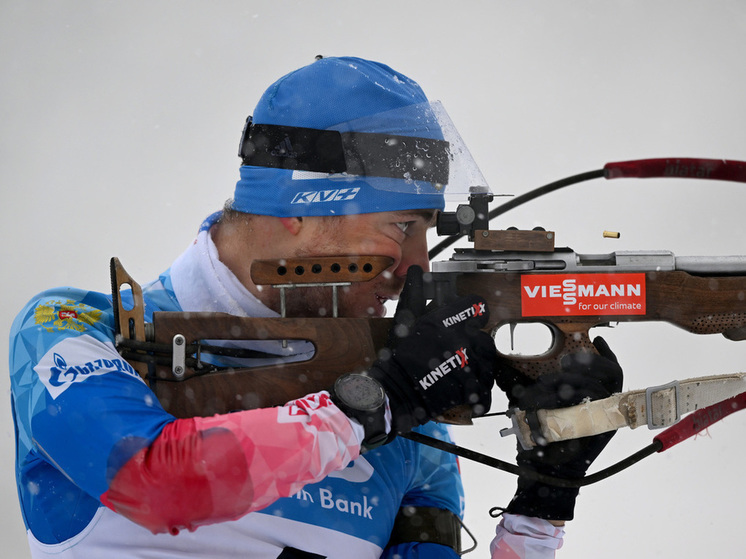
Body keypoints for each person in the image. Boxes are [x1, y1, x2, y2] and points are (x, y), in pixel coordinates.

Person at [9, 56, 622, 559]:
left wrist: (540, 509)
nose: (417, 267)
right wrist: (372, 405)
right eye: (401, 226)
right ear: (298, 210)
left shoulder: (414, 423)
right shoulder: (73, 329)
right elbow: (158, 484)